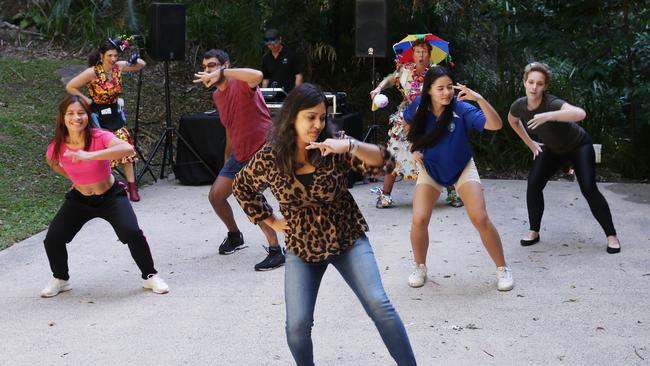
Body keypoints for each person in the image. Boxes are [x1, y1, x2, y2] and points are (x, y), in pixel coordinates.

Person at [232, 83, 416, 365]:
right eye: (310, 117)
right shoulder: (272, 156)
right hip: (302, 247)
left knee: (379, 305)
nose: (318, 124)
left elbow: (387, 164)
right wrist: (270, 220)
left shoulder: (336, 144)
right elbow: (242, 186)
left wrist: (351, 145)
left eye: (322, 117)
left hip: (347, 238)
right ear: (292, 116)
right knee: (296, 327)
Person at [40, 95, 169, 298]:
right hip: (80, 199)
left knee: (132, 233)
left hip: (110, 196)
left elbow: (127, 148)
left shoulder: (99, 136)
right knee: (53, 238)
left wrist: (89, 155)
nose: (76, 117)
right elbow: (53, 162)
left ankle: (150, 276)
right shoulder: (57, 145)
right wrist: (75, 178)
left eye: (81, 113)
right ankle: (61, 279)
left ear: (87, 115)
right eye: (71, 113)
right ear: (63, 117)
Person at [404, 66, 514, 291]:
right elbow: (407, 126)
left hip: (462, 167)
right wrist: (413, 148)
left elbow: (496, 125)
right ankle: (420, 267)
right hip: (431, 169)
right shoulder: (418, 106)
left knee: (480, 217)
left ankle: (503, 269)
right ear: (429, 91)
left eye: (449, 88)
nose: (446, 93)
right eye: (440, 88)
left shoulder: (462, 108)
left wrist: (480, 99)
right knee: (419, 219)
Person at [508, 62, 620, 253]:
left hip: (579, 147)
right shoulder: (519, 105)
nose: (534, 87)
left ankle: (612, 236)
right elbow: (512, 121)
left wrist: (548, 115)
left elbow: (580, 113)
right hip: (552, 149)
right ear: (525, 83)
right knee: (533, 184)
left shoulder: (552, 103)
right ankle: (534, 231)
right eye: (531, 82)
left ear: (545, 86)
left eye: (540, 84)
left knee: (588, 188)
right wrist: (530, 143)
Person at [192, 49, 284, 271]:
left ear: (225, 65)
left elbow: (258, 75)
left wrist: (225, 72)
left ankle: (275, 249)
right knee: (216, 196)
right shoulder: (217, 95)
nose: (207, 71)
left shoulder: (240, 82)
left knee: (250, 196)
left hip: (265, 150)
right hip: (239, 153)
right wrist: (227, 159)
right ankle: (235, 236)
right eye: (205, 67)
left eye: (212, 65)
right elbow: (230, 127)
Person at [370, 39, 463, 209]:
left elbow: (446, 90)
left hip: (430, 117)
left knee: (441, 153)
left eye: (424, 51)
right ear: (412, 54)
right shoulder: (404, 70)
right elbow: (391, 79)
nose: (421, 55)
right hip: (405, 118)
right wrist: (378, 88)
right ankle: (385, 195)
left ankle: (452, 193)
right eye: (418, 51)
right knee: (393, 154)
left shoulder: (436, 73)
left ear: (430, 54)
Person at [66, 37, 145, 202]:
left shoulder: (118, 68)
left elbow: (141, 65)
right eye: (110, 55)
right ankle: (87, 184)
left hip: (114, 115)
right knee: (98, 152)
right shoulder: (93, 72)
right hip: (97, 116)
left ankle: (132, 187)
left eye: (116, 55)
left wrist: (135, 60)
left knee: (126, 149)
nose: (113, 59)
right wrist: (85, 100)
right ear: (102, 55)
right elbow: (70, 86)